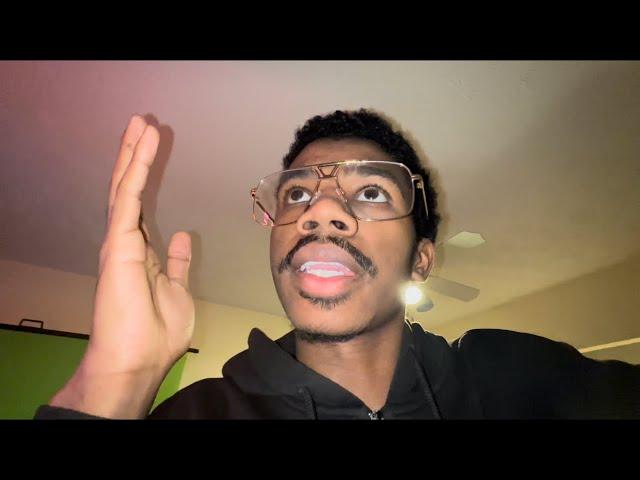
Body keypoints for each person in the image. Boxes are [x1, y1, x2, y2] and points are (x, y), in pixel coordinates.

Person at [35, 110, 640, 420]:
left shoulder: (519, 381)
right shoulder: (198, 414)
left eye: (371, 191)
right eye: (297, 193)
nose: (319, 209)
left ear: (421, 260)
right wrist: (119, 378)